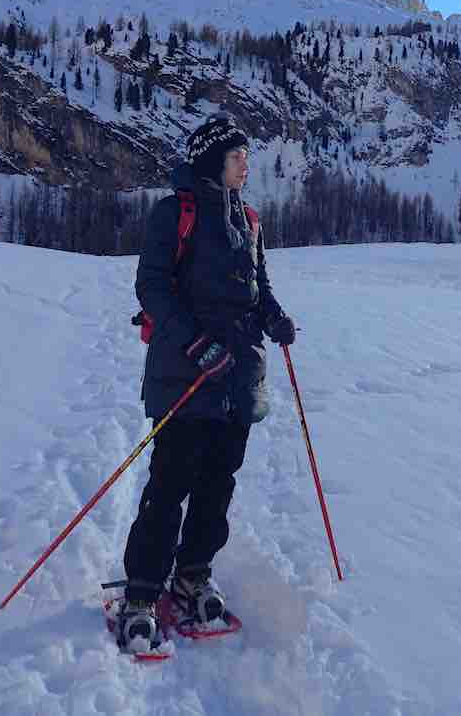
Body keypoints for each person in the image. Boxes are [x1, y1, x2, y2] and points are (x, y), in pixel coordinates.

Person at [117, 118, 296, 649]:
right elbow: (152, 286)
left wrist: (276, 318)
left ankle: (192, 574)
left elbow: (257, 288)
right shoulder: (176, 213)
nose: (247, 164)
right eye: (238, 155)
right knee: (170, 484)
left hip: (237, 378)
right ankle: (144, 591)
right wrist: (197, 345)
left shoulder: (250, 218)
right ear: (213, 160)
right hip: (185, 376)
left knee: (218, 485)